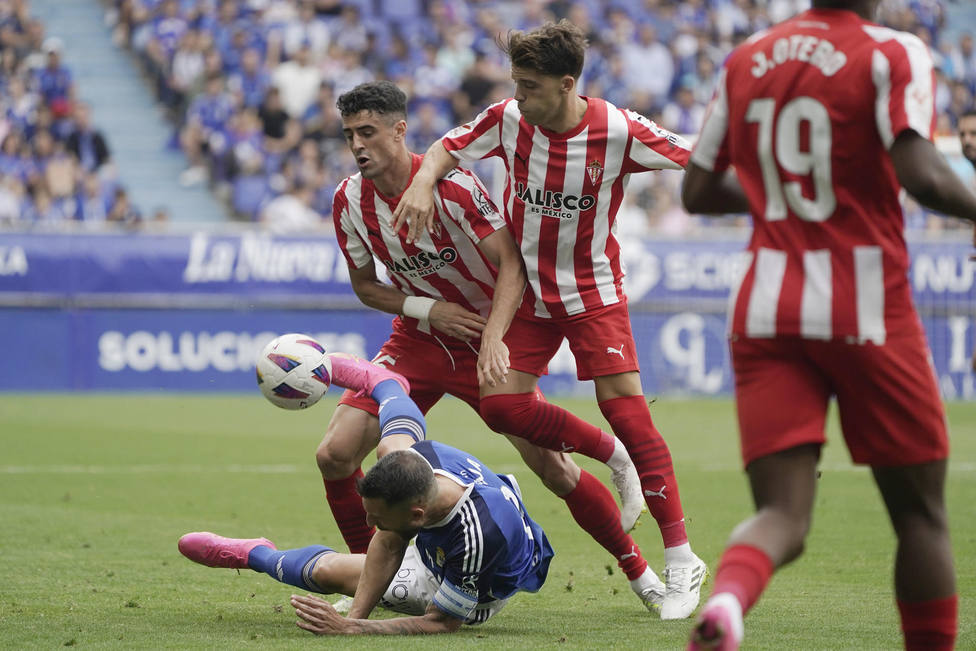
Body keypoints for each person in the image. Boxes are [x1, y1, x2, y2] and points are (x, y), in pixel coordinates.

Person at [679, 1, 976, 648]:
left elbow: (696, 191)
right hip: (866, 307)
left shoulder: (746, 57)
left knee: (781, 513)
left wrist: (778, 198)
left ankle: (728, 603)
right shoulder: (894, 52)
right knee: (921, 515)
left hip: (766, 307)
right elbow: (922, 174)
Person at [393, 20, 706, 619]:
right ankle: (611, 457)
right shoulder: (509, 119)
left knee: (631, 415)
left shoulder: (618, 129)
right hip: (528, 295)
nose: (518, 97)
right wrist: (424, 183)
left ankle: (681, 559)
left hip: (593, 291)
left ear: (566, 85)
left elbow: (698, 158)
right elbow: (443, 149)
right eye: (515, 83)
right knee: (502, 407)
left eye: (530, 87)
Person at [319, 80, 665, 612]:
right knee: (335, 455)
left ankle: (641, 573)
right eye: (349, 136)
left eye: (368, 132)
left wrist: (495, 339)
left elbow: (512, 263)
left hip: (487, 337)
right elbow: (366, 285)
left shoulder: (453, 187)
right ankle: (374, 577)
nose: (358, 145)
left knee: (554, 470)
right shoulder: (349, 200)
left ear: (399, 129)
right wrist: (427, 309)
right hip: (417, 342)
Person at [179, 361, 553, 634]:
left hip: (478, 585)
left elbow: (442, 623)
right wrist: (354, 617)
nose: (370, 526)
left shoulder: (476, 539)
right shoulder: (420, 463)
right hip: (445, 523)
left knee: (329, 573)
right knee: (391, 445)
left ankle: (256, 554)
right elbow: (389, 541)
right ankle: (385, 384)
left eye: (379, 519)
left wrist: (352, 628)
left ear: (417, 515)